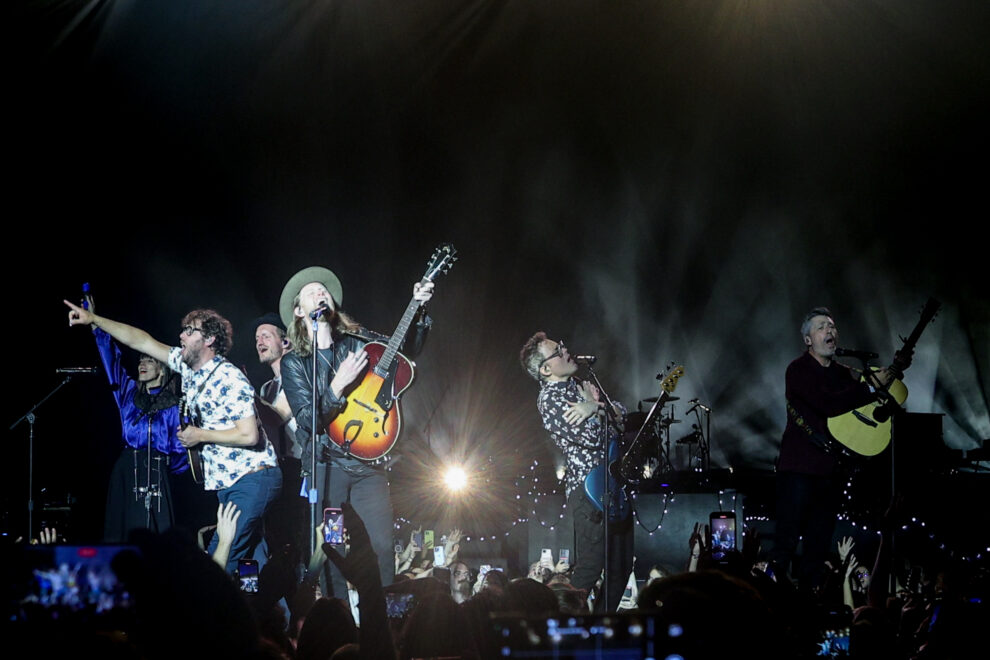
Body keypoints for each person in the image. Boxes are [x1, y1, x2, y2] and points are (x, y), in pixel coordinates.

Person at [64, 301, 281, 573]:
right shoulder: (188, 367)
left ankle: (209, 613)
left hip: (252, 479)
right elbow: (141, 340)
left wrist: (199, 435)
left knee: (218, 563)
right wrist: (94, 319)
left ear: (210, 339)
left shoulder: (228, 377)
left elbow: (249, 435)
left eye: (189, 331)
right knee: (248, 562)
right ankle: (270, 611)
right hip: (232, 483)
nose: (181, 336)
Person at [278, 265, 433, 594]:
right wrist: (336, 386)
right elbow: (307, 419)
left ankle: (389, 625)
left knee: (381, 548)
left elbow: (405, 350)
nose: (321, 292)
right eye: (311, 291)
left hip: (368, 464)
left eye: (324, 290)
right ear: (298, 310)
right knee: (331, 547)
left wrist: (418, 308)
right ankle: (341, 625)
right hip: (326, 468)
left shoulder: (358, 342)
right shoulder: (295, 362)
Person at [771, 307, 901, 591]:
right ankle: (773, 604)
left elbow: (863, 403)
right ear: (808, 339)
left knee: (818, 545)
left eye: (831, 326)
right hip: (798, 469)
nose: (829, 331)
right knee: (787, 541)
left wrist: (891, 374)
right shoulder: (798, 370)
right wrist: (867, 388)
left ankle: (809, 605)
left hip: (831, 470)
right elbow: (828, 402)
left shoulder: (845, 373)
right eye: (821, 327)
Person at [519, 331, 633, 611]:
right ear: (546, 369)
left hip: (613, 485)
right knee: (592, 565)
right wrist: (597, 409)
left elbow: (622, 414)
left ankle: (600, 627)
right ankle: (564, 626)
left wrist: (595, 405)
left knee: (621, 566)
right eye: (558, 350)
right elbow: (595, 437)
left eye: (562, 345)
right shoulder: (550, 400)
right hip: (589, 492)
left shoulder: (581, 384)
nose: (566, 350)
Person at [85, 297, 189, 541]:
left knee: (158, 537)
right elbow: (111, 360)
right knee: (123, 532)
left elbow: (181, 454)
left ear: (162, 368)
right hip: (127, 470)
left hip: (159, 472)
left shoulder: (175, 406)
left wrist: (163, 468)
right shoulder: (129, 393)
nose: (142, 363)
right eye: (141, 359)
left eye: (149, 359)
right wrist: (95, 325)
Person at [251, 312, 306, 559]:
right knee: (278, 539)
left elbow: (277, 415)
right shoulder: (267, 387)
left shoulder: (297, 376)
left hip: (299, 469)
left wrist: (247, 396)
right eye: (256, 338)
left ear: (285, 342)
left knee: (300, 534)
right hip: (276, 469)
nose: (259, 342)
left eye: (265, 336)